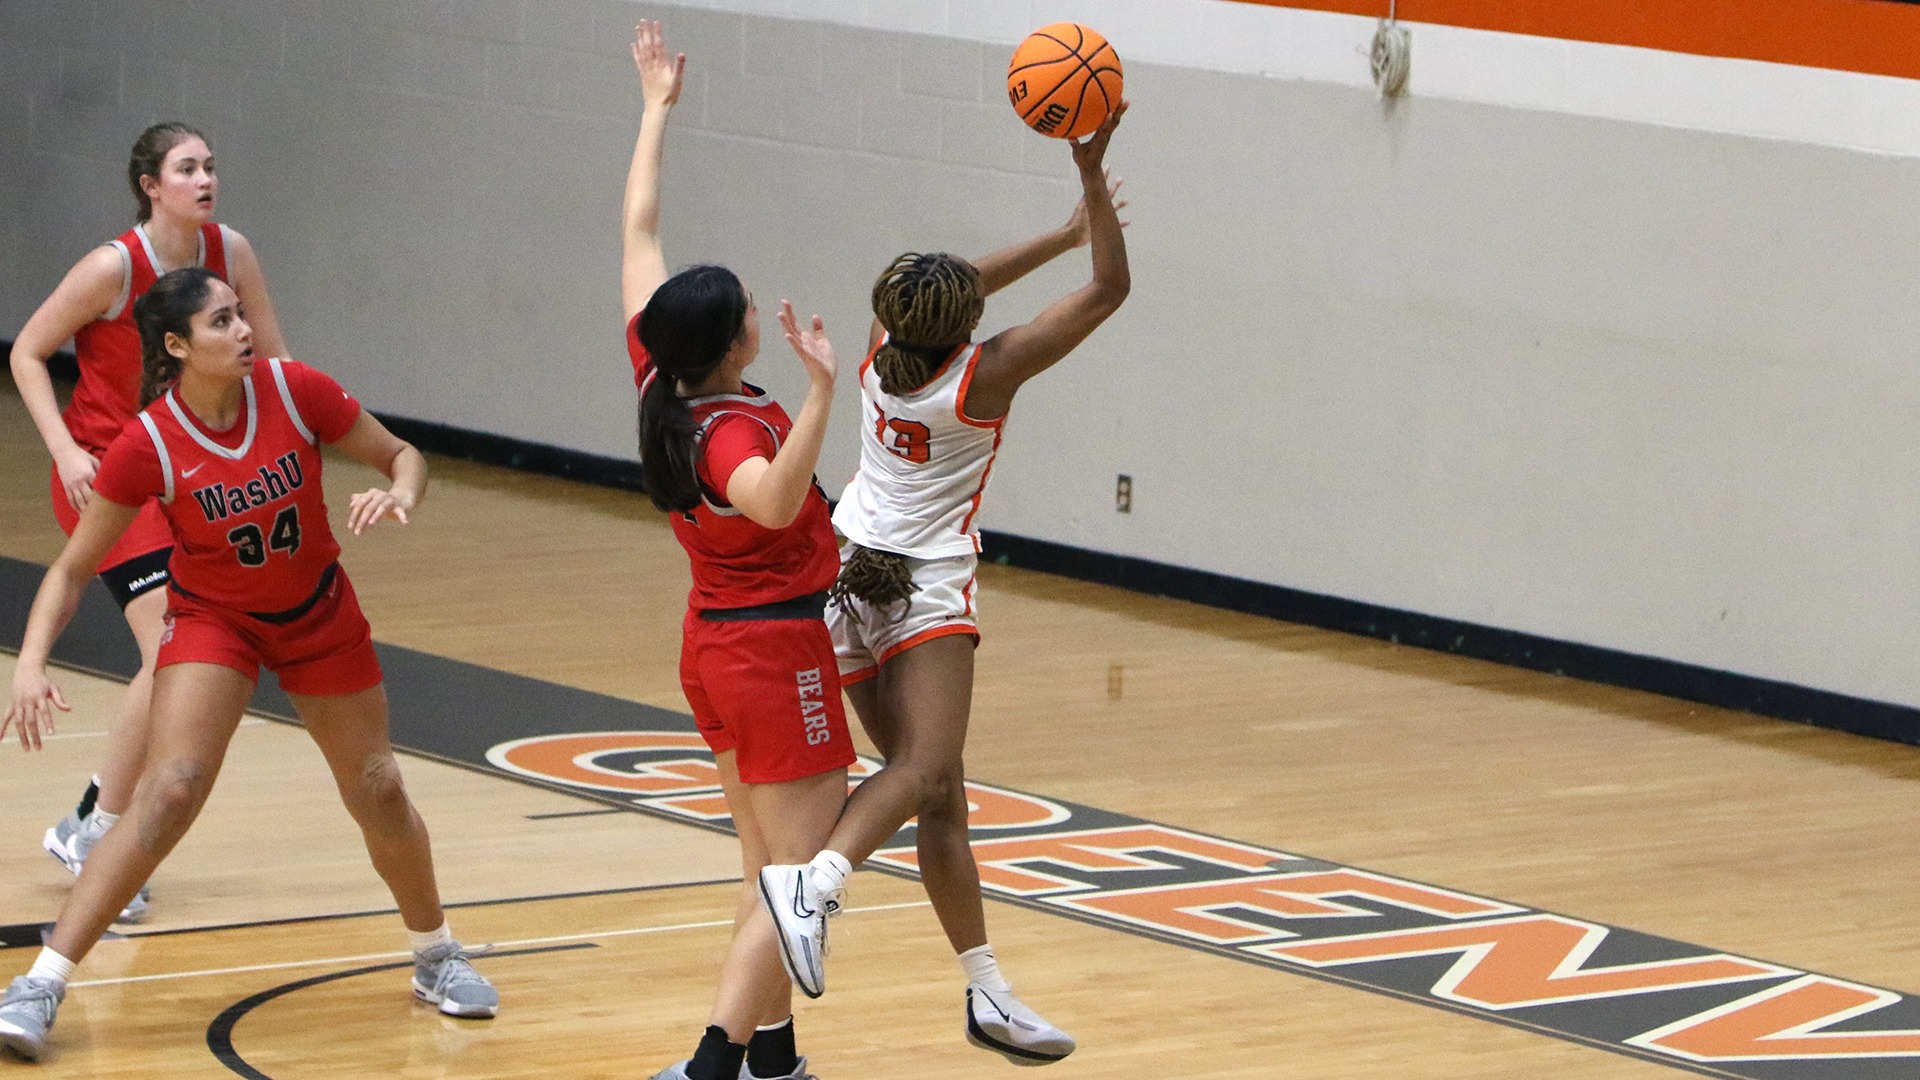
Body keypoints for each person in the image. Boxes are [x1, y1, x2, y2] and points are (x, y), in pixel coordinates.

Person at [0, 267, 496, 1063]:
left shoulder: (295, 389)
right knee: (170, 789)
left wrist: (403, 492)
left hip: (318, 613)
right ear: (176, 346)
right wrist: (29, 663)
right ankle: (39, 983)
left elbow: (402, 454)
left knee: (378, 786)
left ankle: (436, 953)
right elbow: (70, 569)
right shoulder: (149, 442)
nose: (244, 331)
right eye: (222, 322)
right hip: (216, 622)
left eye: (240, 315)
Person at [756, 104, 1131, 1066]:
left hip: (846, 573)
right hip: (921, 585)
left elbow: (954, 287)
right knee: (925, 772)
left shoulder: (880, 345)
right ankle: (816, 884)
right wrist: (1089, 181)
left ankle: (988, 994)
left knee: (942, 799)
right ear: (966, 323)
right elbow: (1110, 289)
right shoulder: (983, 377)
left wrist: (1056, 234)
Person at [619, 23, 849, 1080]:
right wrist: (821, 394)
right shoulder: (729, 436)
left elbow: (639, 232)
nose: (760, 311)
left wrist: (655, 111)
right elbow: (770, 502)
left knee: (767, 868)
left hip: (715, 647)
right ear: (732, 345)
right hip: (773, 655)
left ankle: (773, 1060)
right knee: (799, 878)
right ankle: (713, 1065)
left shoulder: (659, 379)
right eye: (750, 312)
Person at [9, 122, 290, 923]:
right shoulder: (113, 267)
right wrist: (65, 450)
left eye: (211, 166)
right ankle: (98, 829)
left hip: (187, 475)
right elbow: (28, 351)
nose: (206, 179)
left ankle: (90, 820)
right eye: (187, 167)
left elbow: (272, 363)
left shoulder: (230, 253)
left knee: (188, 655)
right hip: (111, 475)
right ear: (151, 185)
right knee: (170, 648)